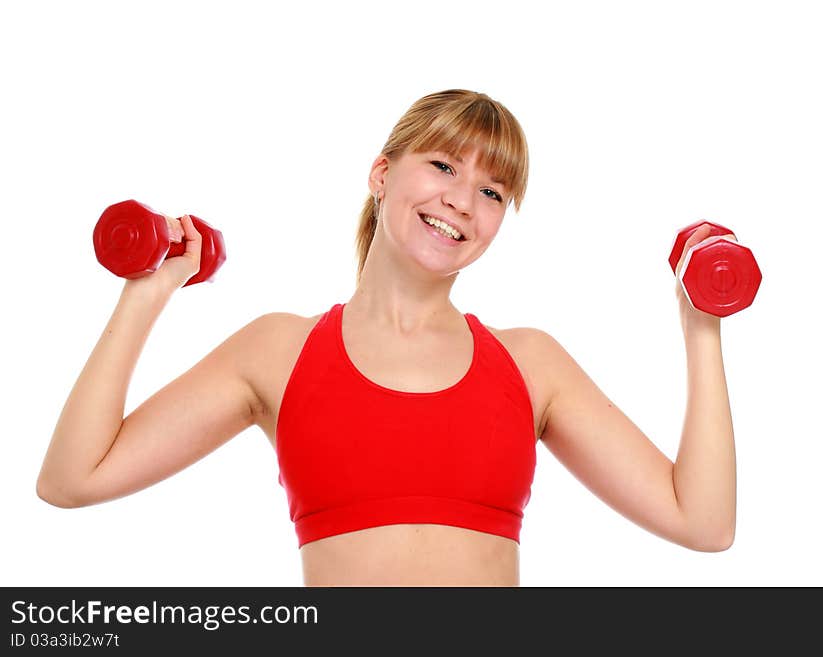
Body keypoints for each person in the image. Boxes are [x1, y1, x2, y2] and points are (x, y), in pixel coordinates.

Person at [36, 88, 737, 586]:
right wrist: (145, 295)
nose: (463, 200)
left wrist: (699, 326)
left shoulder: (529, 365)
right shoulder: (278, 353)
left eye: (493, 192)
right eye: (443, 166)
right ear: (381, 173)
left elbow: (702, 523)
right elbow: (73, 477)